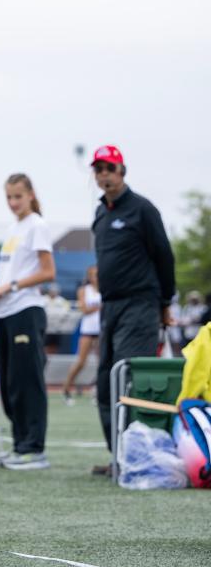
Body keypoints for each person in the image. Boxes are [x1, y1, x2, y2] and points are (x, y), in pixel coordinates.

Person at [89, 145, 175, 475]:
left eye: (109, 168)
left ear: (122, 171)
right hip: (110, 307)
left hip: (140, 303)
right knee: (104, 382)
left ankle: (140, 456)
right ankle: (119, 457)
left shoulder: (142, 209)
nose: (104, 174)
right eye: (98, 169)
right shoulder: (101, 213)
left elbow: (164, 257)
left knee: (128, 377)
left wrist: (165, 303)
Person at [0, 173, 55, 470]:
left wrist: (9, 288)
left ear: (30, 195)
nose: (13, 203)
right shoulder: (14, 228)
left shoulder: (37, 225)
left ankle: (34, 449)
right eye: (9, 197)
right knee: (10, 383)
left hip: (26, 310)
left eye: (18, 196)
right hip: (5, 312)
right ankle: (19, 445)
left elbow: (47, 272)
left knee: (28, 382)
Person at [62, 265, 101, 404]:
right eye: (93, 275)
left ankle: (98, 392)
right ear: (89, 277)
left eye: (97, 274)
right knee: (81, 362)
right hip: (88, 330)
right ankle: (66, 389)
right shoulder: (84, 290)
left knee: (102, 363)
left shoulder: (105, 290)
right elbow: (84, 309)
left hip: (101, 331)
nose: (95, 277)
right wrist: (99, 307)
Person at [42, 283, 73, 354]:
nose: (53, 292)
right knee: (45, 345)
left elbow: (66, 312)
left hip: (57, 327)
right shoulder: (43, 299)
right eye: (52, 291)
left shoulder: (62, 301)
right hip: (46, 327)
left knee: (54, 345)